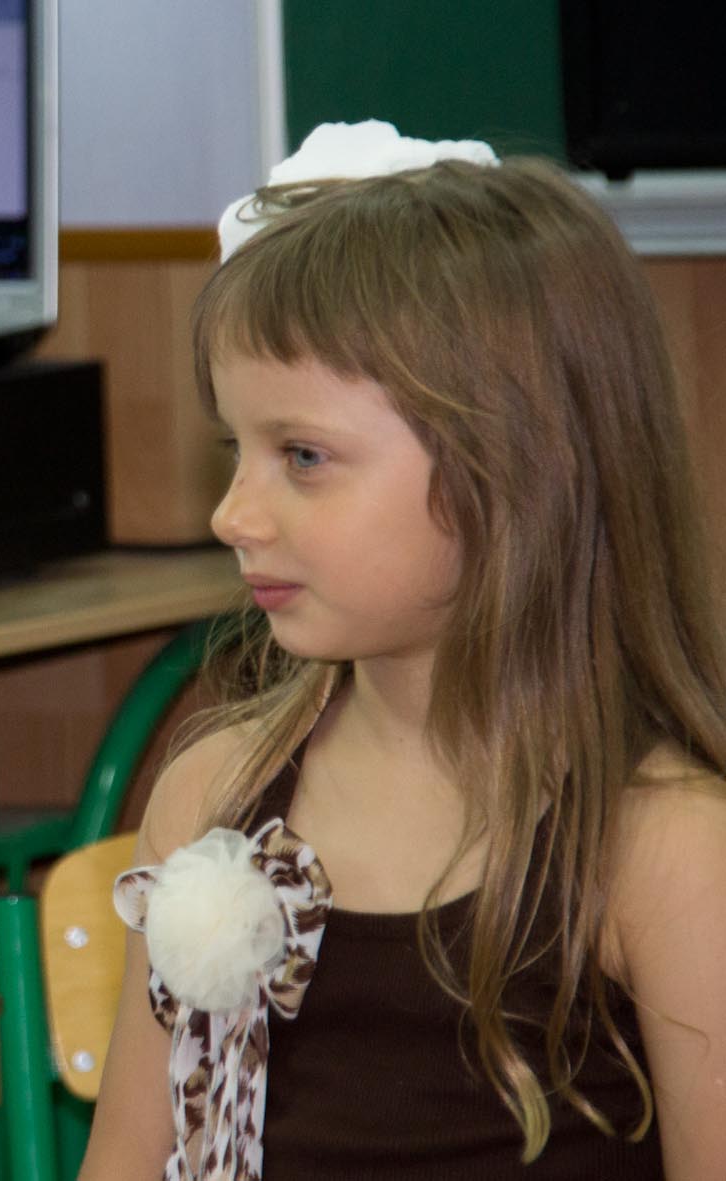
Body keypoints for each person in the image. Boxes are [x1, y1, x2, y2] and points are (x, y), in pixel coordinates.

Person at [81, 122, 726, 1180]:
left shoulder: (666, 851)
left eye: (301, 455)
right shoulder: (212, 794)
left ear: (511, 468)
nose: (232, 513)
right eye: (235, 449)